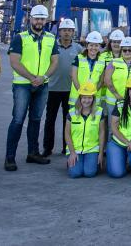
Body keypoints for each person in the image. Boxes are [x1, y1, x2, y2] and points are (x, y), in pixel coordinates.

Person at [5, 5, 58, 171]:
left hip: (42, 84)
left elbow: (54, 61)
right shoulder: (19, 38)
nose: (39, 22)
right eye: (37, 18)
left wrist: (44, 77)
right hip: (23, 84)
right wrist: (32, 78)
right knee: (18, 120)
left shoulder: (51, 38)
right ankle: (10, 157)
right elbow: (14, 61)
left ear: (46, 20)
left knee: (35, 120)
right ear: (30, 19)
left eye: (42, 19)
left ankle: (33, 153)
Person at [42, 18, 81, 158]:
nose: (67, 33)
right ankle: (47, 148)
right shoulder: (52, 46)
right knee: (50, 120)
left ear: (73, 32)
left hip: (70, 91)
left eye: (70, 30)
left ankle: (67, 147)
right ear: (59, 32)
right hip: (52, 89)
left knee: (68, 120)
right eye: (64, 30)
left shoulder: (78, 49)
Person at [103, 35, 131, 142]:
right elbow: (107, 80)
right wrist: (117, 95)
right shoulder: (113, 63)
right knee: (112, 127)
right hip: (113, 101)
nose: (127, 52)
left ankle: (126, 148)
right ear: (121, 50)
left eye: (129, 50)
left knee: (127, 126)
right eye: (124, 50)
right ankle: (111, 151)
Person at [64, 81, 105, 178]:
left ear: (93, 98)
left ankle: (91, 162)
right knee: (75, 174)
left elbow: (102, 133)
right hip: (76, 149)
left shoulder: (99, 112)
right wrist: (72, 152)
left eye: (89, 97)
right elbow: (67, 133)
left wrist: (100, 153)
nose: (87, 100)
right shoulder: (72, 113)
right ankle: (72, 162)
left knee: (89, 173)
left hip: (92, 149)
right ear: (80, 98)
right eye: (84, 97)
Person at [70, 31, 107, 108]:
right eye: (91, 45)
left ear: (99, 46)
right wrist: (82, 92)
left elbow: (101, 80)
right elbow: (74, 76)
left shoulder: (103, 60)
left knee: (92, 119)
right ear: (87, 46)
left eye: (96, 45)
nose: (93, 48)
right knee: (75, 118)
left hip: (94, 96)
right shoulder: (78, 58)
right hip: (78, 95)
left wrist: (92, 93)